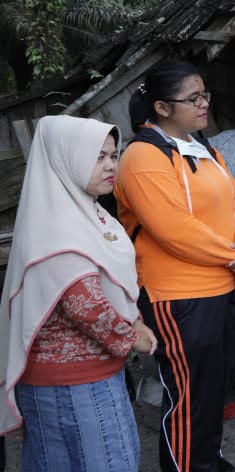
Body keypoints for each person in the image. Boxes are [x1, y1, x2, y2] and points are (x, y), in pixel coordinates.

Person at [115, 59, 235, 472]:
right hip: (177, 296)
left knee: (215, 388)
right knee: (188, 393)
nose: (203, 104)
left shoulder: (205, 148)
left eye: (204, 95)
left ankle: (207, 460)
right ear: (162, 107)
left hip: (224, 286)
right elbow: (174, 228)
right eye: (192, 98)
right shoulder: (142, 157)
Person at [0, 116, 157, 471]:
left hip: (86, 377)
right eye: (97, 157)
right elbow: (86, 306)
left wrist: (135, 320)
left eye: (113, 155)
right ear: (66, 160)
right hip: (74, 385)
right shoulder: (56, 226)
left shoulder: (86, 212)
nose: (110, 166)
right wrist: (135, 337)